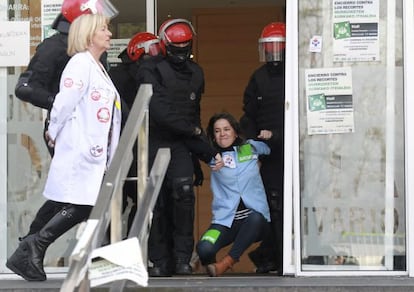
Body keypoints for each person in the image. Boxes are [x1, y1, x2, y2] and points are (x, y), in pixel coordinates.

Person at [6, 13, 122, 282]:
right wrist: (54, 134)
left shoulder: (96, 66)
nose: (109, 34)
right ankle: (36, 245)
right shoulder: (80, 64)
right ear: (90, 34)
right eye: (103, 29)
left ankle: (32, 249)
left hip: (94, 151)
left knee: (88, 206)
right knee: (85, 205)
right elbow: (62, 104)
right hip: (80, 149)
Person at [135, 18, 220, 277]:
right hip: (155, 142)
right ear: (164, 45)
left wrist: (202, 154)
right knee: (156, 203)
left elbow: (194, 114)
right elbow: (159, 110)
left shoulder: (196, 72)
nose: (181, 52)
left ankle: (183, 258)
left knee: (184, 196)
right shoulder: (150, 68)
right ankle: (160, 261)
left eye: (186, 46)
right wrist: (192, 133)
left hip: (183, 144)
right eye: (177, 47)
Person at [196, 112, 271, 277]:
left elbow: (272, 148)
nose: (222, 134)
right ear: (213, 136)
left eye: (226, 129)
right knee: (204, 247)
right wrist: (213, 153)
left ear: (235, 132)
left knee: (256, 217)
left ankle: (227, 263)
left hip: (255, 221)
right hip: (226, 222)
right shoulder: (213, 157)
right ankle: (212, 269)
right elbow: (194, 144)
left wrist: (269, 135)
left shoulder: (248, 148)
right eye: (217, 131)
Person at [240, 22, 286, 275]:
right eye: (269, 48)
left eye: (278, 47)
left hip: (295, 153)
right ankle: (272, 257)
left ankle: (276, 257)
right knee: (271, 207)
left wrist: (278, 135)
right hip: (267, 156)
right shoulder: (258, 77)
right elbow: (249, 115)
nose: (274, 53)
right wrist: (251, 145)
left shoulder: (295, 73)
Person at [109, 32, 162, 233]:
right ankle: (112, 251)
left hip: (138, 146)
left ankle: (129, 248)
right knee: (122, 201)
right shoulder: (119, 77)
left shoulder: (134, 73)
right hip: (123, 147)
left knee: (139, 201)